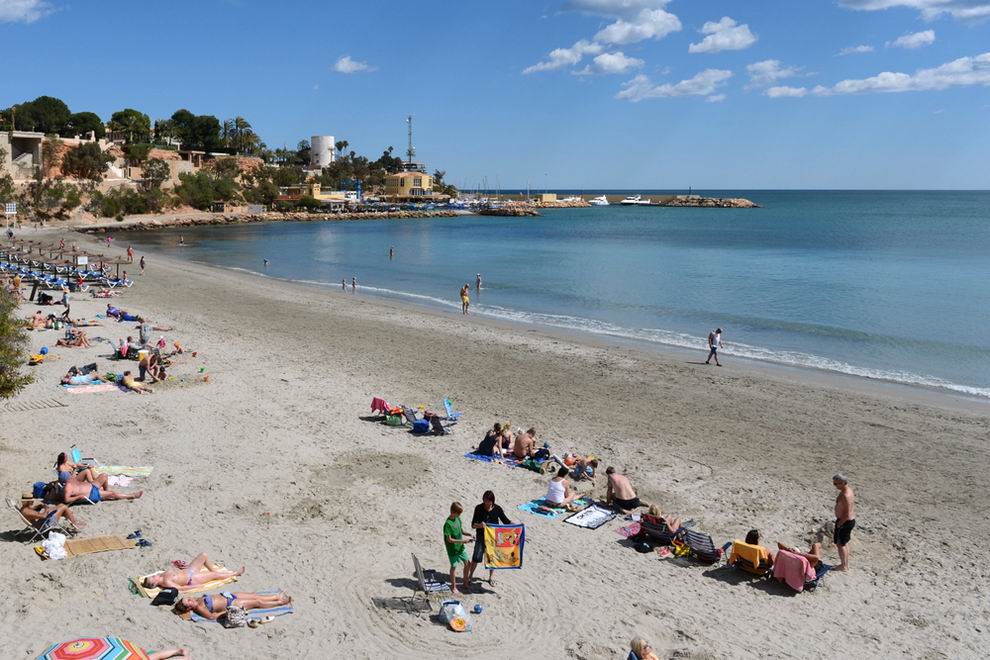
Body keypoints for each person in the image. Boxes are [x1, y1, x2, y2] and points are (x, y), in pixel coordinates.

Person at [465, 491, 511, 588]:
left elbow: (506, 521)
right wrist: (480, 525)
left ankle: (491, 578)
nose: (485, 503)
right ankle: (470, 576)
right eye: (484, 500)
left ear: (492, 501)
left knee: (492, 559)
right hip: (481, 537)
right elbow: (473, 525)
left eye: (487, 501)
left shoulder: (497, 509)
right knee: (476, 557)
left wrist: (517, 526)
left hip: (494, 538)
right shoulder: (478, 508)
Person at [143, 553, 245, 591]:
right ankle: (236, 573)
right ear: (154, 583)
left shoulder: (160, 575)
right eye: (152, 577)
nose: (153, 575)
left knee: (204, 555)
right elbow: (181, 588)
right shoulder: (166, 582)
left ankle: (215, 570)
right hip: (193, 578)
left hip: (190, 570)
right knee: (214, 575)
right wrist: (196, 587)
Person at [173, 590, 291, 620]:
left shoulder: (197, 600)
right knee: (257, 603)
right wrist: (227, 612)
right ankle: (280, 603)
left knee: (254, 595)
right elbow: (211, 617)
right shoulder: (199, 608)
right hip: (232, 603)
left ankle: (275, 597)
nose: (190, 598)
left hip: (229, 595)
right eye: (188, 601)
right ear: (189, 608)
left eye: (187, 598)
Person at [443, 501, 472, 594]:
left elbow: (461, 530)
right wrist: (463, 541)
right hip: (452, 549)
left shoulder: (458, 519)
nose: (459, 515)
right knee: (454, 567)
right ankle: (454, 587)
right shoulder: (447, 524)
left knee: (468, 563)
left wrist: (467, 534)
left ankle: (465, 583)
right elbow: (449, 540)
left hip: (460, 547)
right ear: (453, 512)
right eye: (458, 513)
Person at [19, 494, 84, 530]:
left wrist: (40, 506)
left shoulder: (24, 508)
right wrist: (46, 509)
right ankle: (74, 524)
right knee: (63, 507)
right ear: (27, 501)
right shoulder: (27, 512)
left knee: (60, 506)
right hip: (44, 525)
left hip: (42, 521)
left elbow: (34, 510)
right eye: (31, 500)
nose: (32, 501)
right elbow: (43, 516)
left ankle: (73, 522)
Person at [833, 473, 856, 571]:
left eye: (836, 484)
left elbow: (847, 514)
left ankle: (843, 566)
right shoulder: (847, 490)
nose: (834, 485)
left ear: (843, 483)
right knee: (844, 543)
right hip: (846, 521)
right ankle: (845, 564)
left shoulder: (846, 495)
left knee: (840, 544)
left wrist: (839, 524)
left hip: (845, 522)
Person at [62, 478, 143, 504]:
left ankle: (105, 493)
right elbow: (66, 499)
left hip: (92, 486)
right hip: (91, 494)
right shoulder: (68, 487)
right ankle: (131, 496)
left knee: (104, 476)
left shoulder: (71, 479)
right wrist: (78, 497)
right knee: (112, 493)